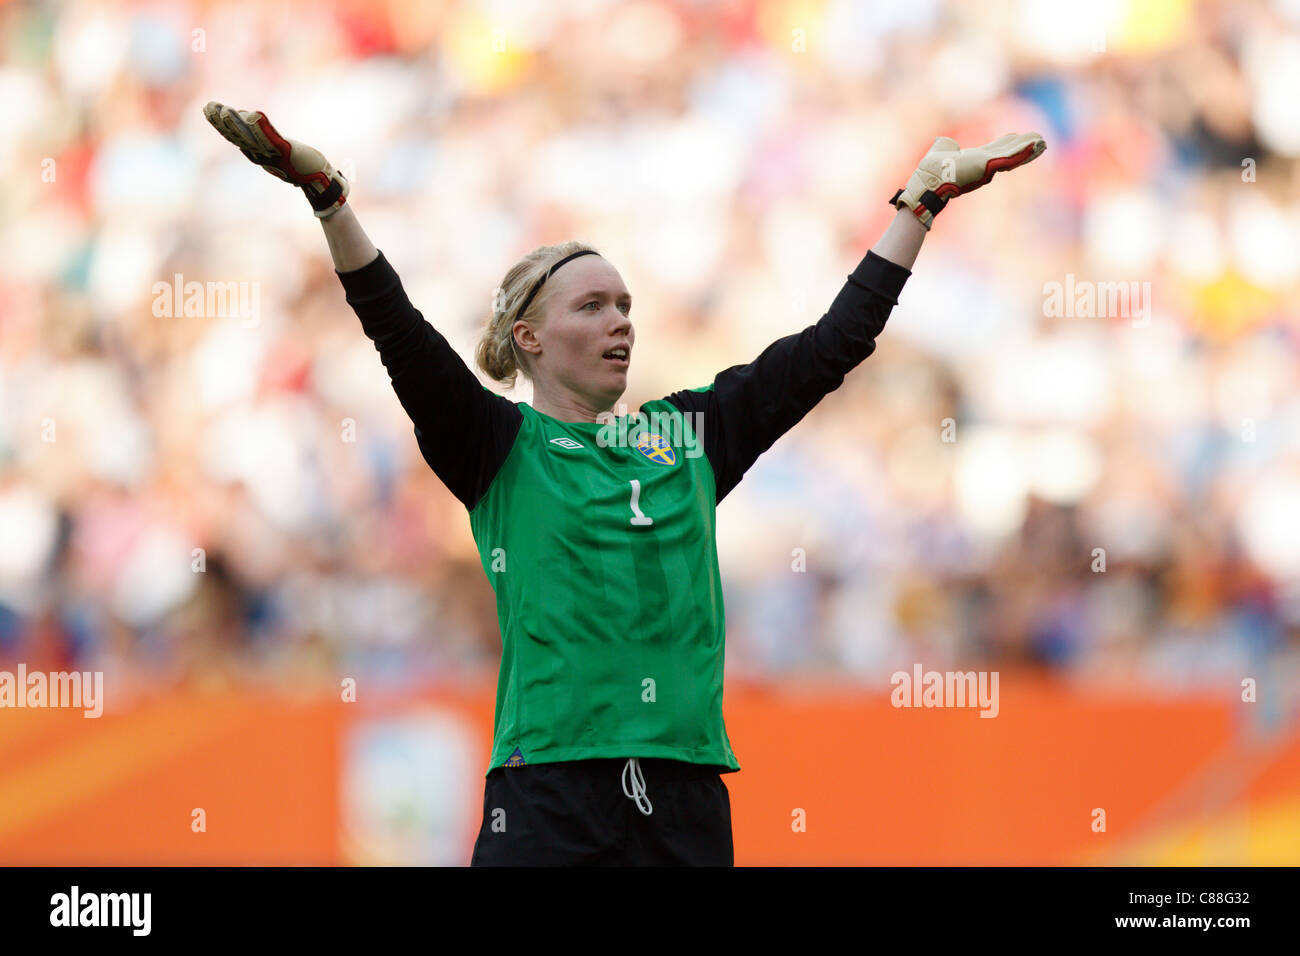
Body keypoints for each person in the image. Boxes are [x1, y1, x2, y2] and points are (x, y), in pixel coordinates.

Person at [202, 101, 1045, 865]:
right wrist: (326, 196)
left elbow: (832, 346)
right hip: (550, 794)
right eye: (594, 306)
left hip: (685, 797)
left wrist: (921, 203)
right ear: (527, 337)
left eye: (626, 305)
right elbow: (396, 327)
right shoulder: (498, 447)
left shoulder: (689, 437)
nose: (620, 322)